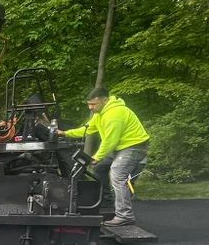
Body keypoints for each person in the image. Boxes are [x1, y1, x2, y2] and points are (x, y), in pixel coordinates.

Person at [59, 87, 150, 226]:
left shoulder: (115, 114)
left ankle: (125, 216)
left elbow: (110, 141)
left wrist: (97, 156)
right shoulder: (100, 114)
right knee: (100, 167)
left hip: (134, 147)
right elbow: (87, 129)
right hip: (120, 147)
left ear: (105, 100)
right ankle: (106, 203)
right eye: (89, 104)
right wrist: (65, 133)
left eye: (93, 104)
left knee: (117, 174)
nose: (90, 107)